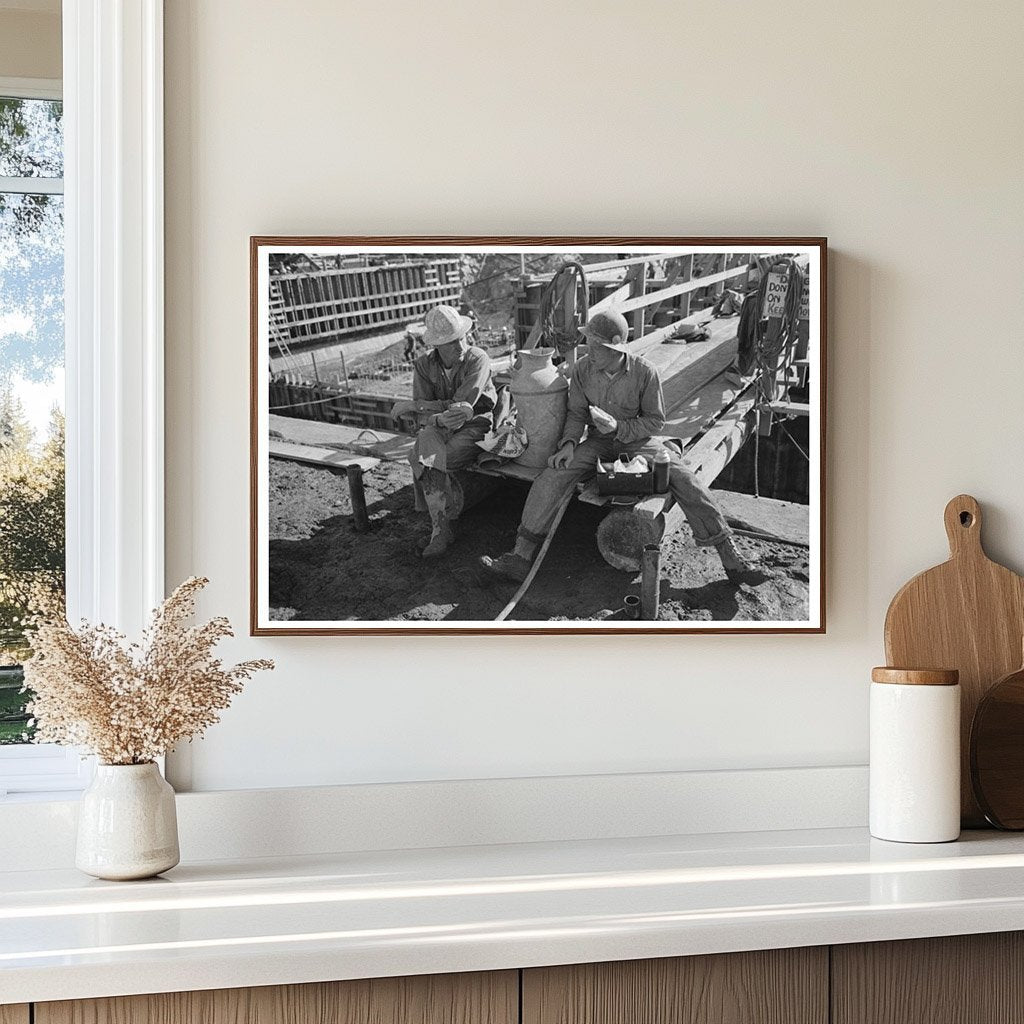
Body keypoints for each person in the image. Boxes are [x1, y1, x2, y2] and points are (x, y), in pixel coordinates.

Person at [480, 309, 754, 584]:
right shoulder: (584, 370)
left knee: (681, 475)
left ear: (615, 348)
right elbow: (576, 413)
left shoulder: (644, 372)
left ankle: (728, 553)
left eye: (597, 345)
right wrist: (569, 444)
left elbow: (655, 421)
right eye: (590, 344)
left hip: (636, 441)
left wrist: (620, 428)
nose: (591, 350)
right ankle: (520, 556)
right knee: (552, 475)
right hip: (598, 443)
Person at [392, 304, 496, 558]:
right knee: (427, 442)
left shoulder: (477, 358)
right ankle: (440, 531)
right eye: (452, 342)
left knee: (426, 457)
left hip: (475, 426)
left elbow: (461, 406)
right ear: (437, 345)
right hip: (438, 427)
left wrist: (415, 406)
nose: (460, 346)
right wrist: (429, 413)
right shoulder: (424, 366)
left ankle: (441, 529)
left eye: (462, 338)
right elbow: (427, 418)